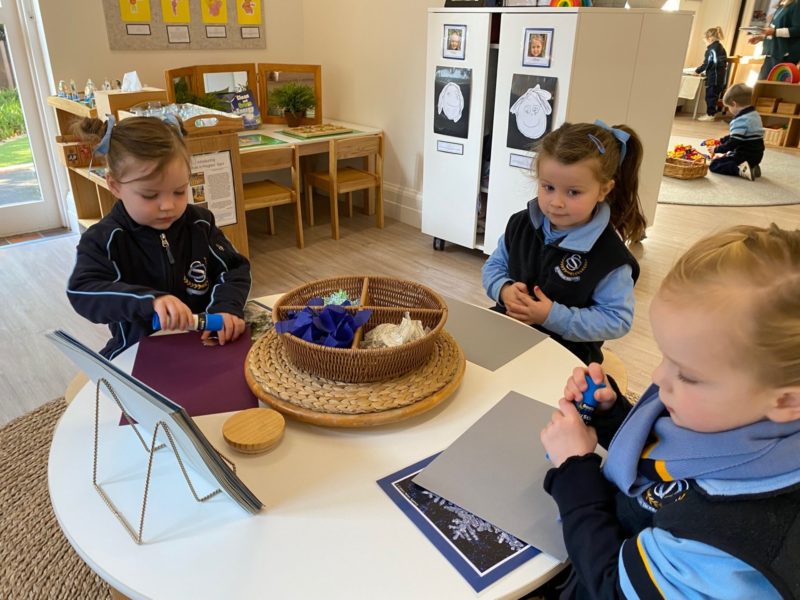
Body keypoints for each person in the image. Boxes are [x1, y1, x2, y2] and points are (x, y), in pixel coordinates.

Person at [539, 223, 800, 598]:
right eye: (665, 356)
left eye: (688, 375)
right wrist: (613, 416)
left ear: (787, 401)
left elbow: (614, 588)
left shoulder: (730, 536)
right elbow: (674, 455)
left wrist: (574, 469)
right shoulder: (745, 416)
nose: (658, 377)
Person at [67, 116, 251, 359]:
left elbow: (234, 270)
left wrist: (226, 307)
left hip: (204, 344)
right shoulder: (103, 239)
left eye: (179, 191)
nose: (168, 206)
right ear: (114, 185)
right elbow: (82, 291)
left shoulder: (200, 223)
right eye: (150, 195)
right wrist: (149, 300)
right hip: (138, 352)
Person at [481, 121, 646, 365]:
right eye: (548, 187)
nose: (556, 203)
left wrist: (551, 316)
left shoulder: (611, 258)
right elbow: (494, 267)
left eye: (573, 192)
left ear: (604, 190)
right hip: (509, 332)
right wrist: (503, 290)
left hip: (567, 355)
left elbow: (616, 320)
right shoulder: (520, 224)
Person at [709, 83, 765, 181]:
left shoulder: (740, 120)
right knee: (729, 155)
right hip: (757, 155)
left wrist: (717, 149)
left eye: (728, 107)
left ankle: (740, 169)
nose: (729, 110)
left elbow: (733, 142)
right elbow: (739, 136)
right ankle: (752, 166)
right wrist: (722, 140)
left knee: (715, 164)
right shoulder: (755, 114)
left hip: (744, 155)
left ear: (734, 104)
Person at [749, 0, 800, 80]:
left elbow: (797, 30)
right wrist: (761, 38)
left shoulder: (797, 4)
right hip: (772, 53)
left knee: (774, 86)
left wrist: (774, 32)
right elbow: (775, 30)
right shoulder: (782, 5)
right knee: (761, 84)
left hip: (784, 55)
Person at [694, 26, 728, 121]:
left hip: (714, 77)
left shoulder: (712, 49)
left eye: (705, 39)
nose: (704, 41)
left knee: (710, 96)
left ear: (710, 38)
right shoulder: (720, 47)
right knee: (713, 96)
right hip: (719, 77)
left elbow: (708, 63)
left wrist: (697, 71)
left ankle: (710, 114)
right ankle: (711, 113)